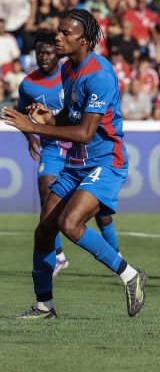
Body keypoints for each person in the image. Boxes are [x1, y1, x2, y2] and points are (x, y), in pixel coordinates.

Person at [1, 9, 147, 319]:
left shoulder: (101, 75)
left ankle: (130, 274)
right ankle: (44, 307)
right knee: (44, 231)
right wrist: (50, 118)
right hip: (77, 163)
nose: (58, 36)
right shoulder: (69, 69)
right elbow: (74, 116)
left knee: (70, 224)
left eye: (65, 33)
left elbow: (85, 132)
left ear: (84, 39)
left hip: (106, 163)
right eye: (58, 30)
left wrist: (34, 127)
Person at [15, 30, 121, 276]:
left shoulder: (95, 73)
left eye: (48, 52)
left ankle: (119, 261)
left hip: (89, 151)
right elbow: (54, 114)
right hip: (55, 147)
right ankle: (57, 262)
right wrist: (34, 133)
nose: (43, 56)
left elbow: (84, 130)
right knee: (47, 203)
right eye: (39, 52)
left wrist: (36, 127)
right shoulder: (29, 83)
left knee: (99, 215)